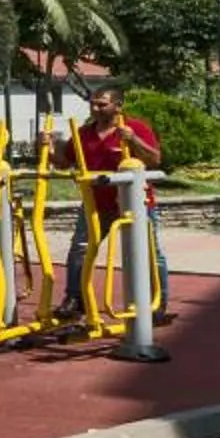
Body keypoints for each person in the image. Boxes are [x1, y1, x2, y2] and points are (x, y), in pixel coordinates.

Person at [54, 87, 163, 319]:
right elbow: (64, 162)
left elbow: (154, 160)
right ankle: (75, 298)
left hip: (134, 203)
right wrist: (47, 147)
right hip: (96, 203)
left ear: (118, 106)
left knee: (150, 253)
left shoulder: (135, 128)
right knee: (80, 249)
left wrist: (133, 140)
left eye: (102, 104)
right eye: (93, 104)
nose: (95, 108)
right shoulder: (84, 133)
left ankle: (157, 302)